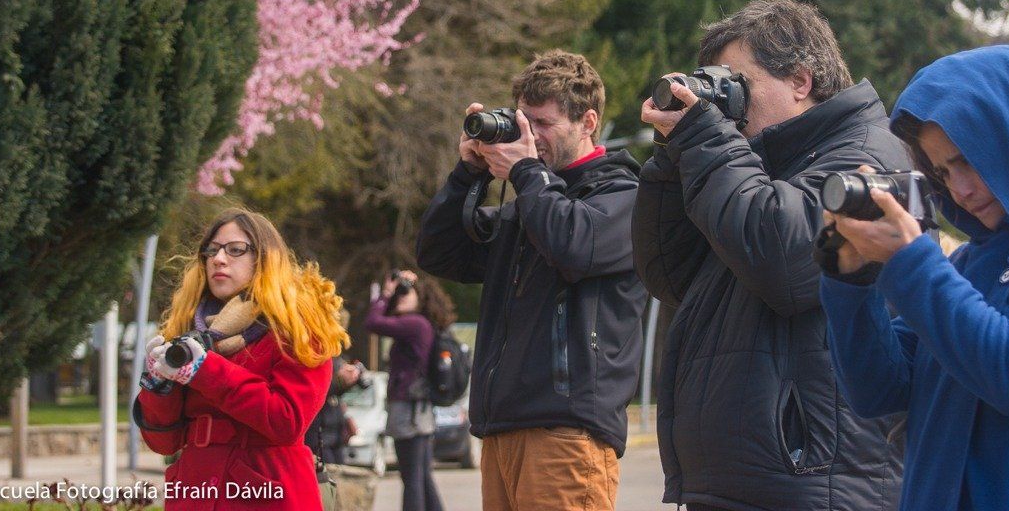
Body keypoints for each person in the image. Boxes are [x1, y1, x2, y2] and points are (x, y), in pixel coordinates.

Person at [633, 0, 905, 511]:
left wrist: (705, 139)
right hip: (742, 481)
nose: (727, 106)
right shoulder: (751, 167)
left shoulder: (867, 156)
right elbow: (668, 273)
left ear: (800, 80)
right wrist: (673, 157)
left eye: (738, 84)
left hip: (813, 482)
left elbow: (785, 263)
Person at [416, 50, 647, 511]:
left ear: (588, 122)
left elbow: (573, 246)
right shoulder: (528, 205)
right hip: (502, 430)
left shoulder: (624, 196)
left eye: (543, 123)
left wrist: (526, 173)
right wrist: (468, 174)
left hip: (568, 434)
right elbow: (439, 253)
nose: (530, 135)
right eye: (523, 121)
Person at [820, 45, 1009, 511]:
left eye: (969, 160)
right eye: (941, 171)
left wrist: (911, 259)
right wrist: (850, 277)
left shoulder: (939, 270)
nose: (959, 190)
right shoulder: (967, 265)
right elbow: (878, 388)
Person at [134, 208, 349, 511]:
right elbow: (164, 443)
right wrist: (158, 385)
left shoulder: (300, 328)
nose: (219, 259)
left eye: (235, 250)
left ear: (265, 259)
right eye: (211, 251)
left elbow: (287, 421)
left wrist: (206, 370)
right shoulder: (188, 331)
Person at [365, 269, 456, 511]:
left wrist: (386, 293)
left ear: (421, 297)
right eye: (399, 293)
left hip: (409, 410)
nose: (401, 296)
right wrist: (394, 293)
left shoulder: (414, 324)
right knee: (422, 478)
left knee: (412, 479)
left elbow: (373, 322)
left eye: (407, 292)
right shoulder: (421, 325)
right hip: (418, 410)